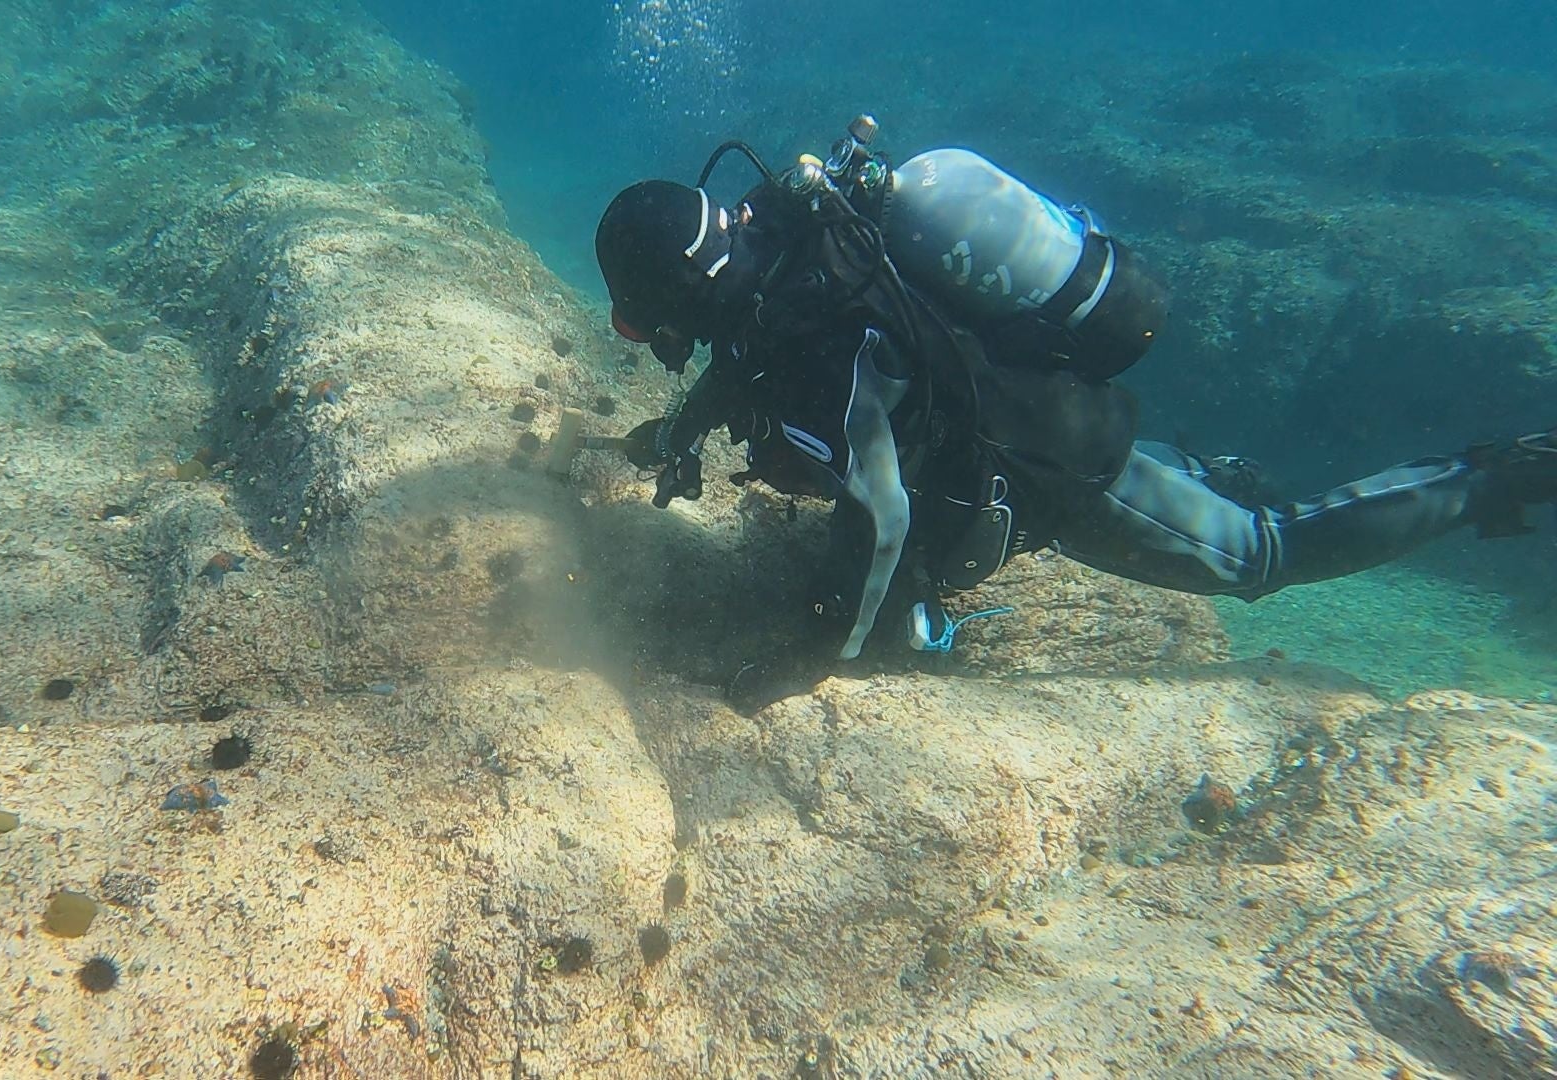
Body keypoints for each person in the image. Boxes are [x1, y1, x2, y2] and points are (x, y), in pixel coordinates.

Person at [593, 119, 1557, 710]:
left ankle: (1488, 481)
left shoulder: (829, 346)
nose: (646, 336)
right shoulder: (774, 238)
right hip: (1006, 407)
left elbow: (885, 517)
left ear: (686, 290)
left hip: (1046, 476)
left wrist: (823, 654)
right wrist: (677, 434)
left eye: (643, 319)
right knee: (1178, 477)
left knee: (1261, 554)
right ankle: (1208, 467)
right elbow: (746, 366)